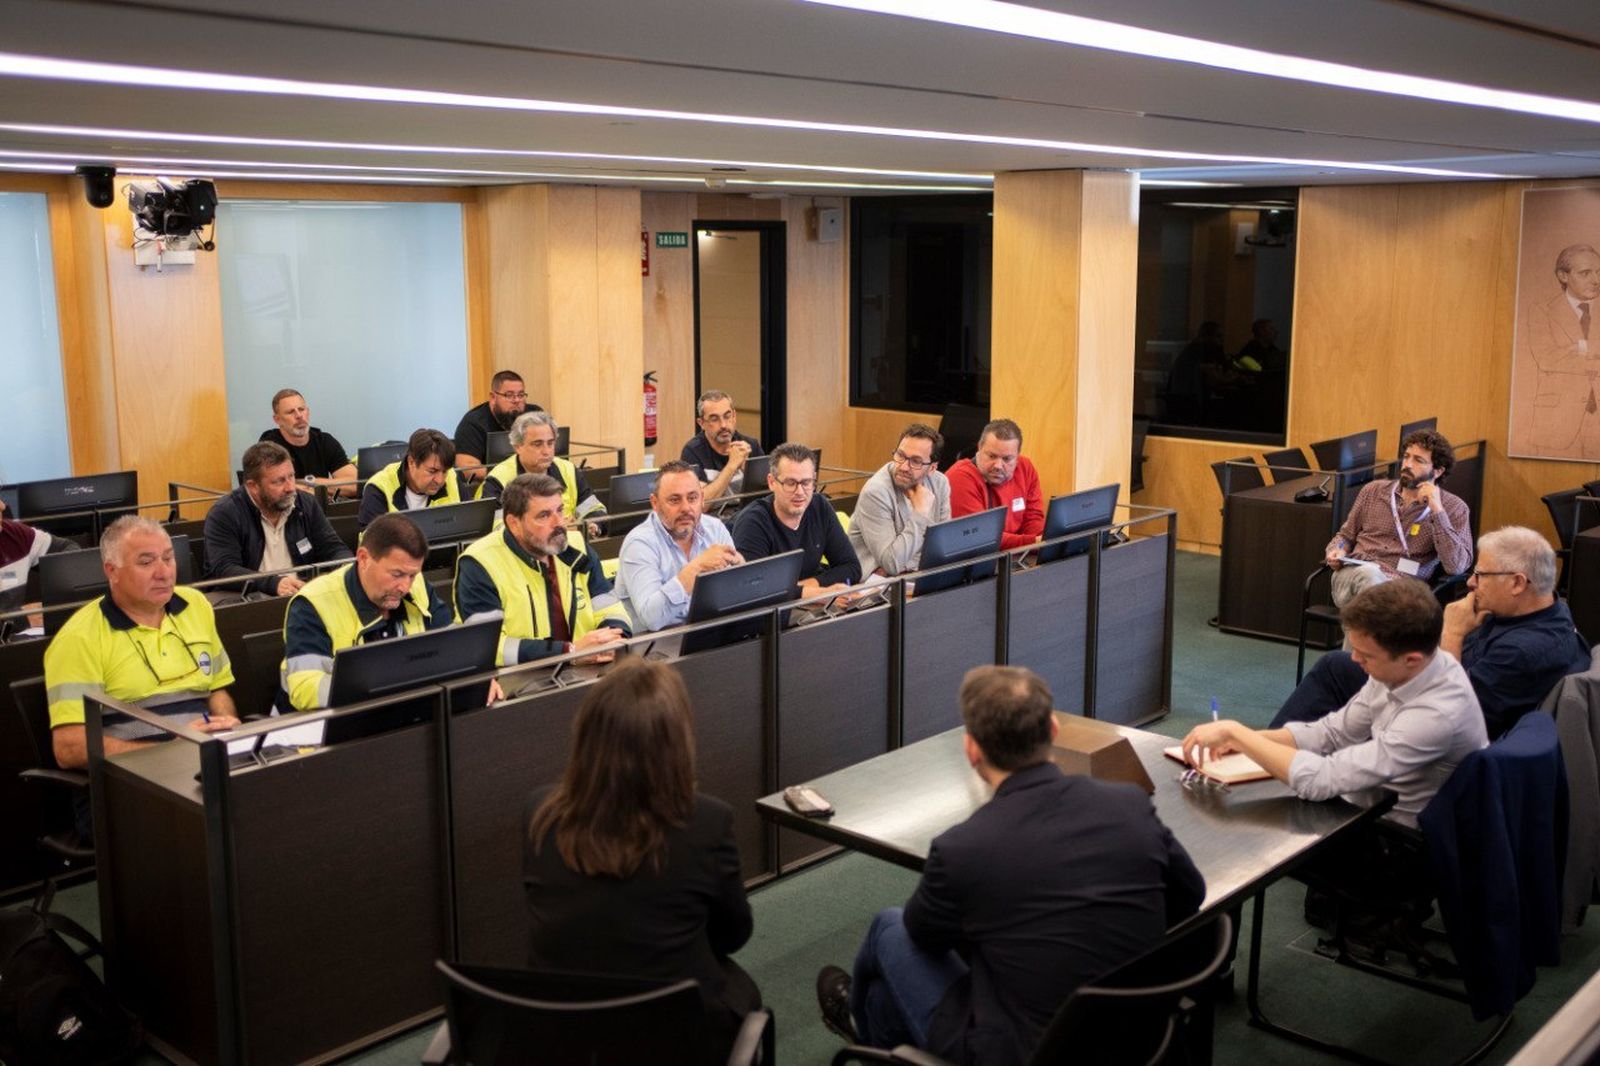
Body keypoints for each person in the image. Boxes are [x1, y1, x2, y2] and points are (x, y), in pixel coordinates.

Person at [817, 665, 1204, 1064]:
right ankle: (872, 1024)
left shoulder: (961, 848)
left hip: (1027, 1054)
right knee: (888, 997)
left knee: (889, 928)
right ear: (1053, 729)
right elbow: (1191, 894)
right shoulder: (1129, 804)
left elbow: (926, 938)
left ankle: (859, 1026)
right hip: (1139, 1034)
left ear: (971, 750)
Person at [524, 657, 760, 1064]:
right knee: (744, 994)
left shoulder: (539, 815)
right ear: (676, 743)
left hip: (563, 1033)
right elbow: (733, 934)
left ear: (586, 734)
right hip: (677, 1037)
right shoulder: (706, 822)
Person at [1183, 579, 1487, 830]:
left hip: (1396, 842)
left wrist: (1239, 735)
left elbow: (1322, 780)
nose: (1355, 660)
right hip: (1369, 804)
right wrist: (1252, 740)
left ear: (1411, 660)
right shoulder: (1406, 668)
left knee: (1241, 829)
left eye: (1366, 656)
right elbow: (1331, 734)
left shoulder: (1437, 716)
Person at [1276, 526, 1590, 739]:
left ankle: (1263, 759)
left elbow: (1450, 716)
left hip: (1446, 738)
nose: (1470, 583)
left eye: (1480, 575)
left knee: (1337, 670)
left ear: (1518, 583)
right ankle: (1274, 748)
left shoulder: (1524, 652)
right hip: (1439, 687)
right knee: (1343, 666)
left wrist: (1452, 633)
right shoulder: (1543, 610)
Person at [45, 516, 239, 771]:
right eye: (146, 562)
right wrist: (170, 750)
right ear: (111, 571)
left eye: (168, 558)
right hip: (133, 778)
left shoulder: (196, 605)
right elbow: (69, 748)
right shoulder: (78, 638)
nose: (163, 573)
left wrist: (228, 728)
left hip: (203, 760)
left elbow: (217, 689)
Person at [279, 513, 452, 711]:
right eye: (397, 574)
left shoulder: (417, 586)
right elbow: (304, 688)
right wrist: (379, 687)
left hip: (400, 713)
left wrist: (471, 680)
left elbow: (450, 646)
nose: (405, 586)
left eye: (412, 575)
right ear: (363, 559)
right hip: (320, 726)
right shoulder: (312, 603)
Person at [455, 473, 631, 666]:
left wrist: (613, 638)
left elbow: (610, 607)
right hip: (519, 679)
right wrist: (569, 652)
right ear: (514, 523)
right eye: (544, 515)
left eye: (560, 510)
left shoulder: (576, 546)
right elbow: (488, 646)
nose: (559, 524)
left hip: (589, 666)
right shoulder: (479, 563)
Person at [1324, 428, 1472, 607]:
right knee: (1369, 577)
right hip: (1354, 573)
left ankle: (1362, 633)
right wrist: (1337, 550)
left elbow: (1456, 566)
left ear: (1438, 471)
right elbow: (1345, 537)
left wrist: (1437, 510)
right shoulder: (1373, 491)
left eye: (1418, 460)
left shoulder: (1454, 508)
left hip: (1404, 587)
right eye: (1407, 456)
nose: (1407, 464)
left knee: (1374, 605)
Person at [203, 441, 351, 598]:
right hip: (248, 597)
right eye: (279, 481)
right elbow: (225, 569)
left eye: (291, 476)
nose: (291, 487)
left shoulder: (306, 503)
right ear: (253, 486)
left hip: (300, 594)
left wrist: (347, 567)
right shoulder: (225, 513)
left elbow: (333, 548)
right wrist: (273, 583)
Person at [615, 461, 743, 633]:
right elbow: (651, 619)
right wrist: (697, 567)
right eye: (674, 500)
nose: (686, 508)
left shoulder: (715, 528)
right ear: (655, 503)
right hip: (653, 647)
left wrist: (741, 570)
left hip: (706, 632)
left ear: (702, 499)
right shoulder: (639, 544)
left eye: (692, 498)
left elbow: (735, 592)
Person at [730, 442, 860, 595]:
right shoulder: (753, 521)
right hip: (773, 613)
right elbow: (752, 590)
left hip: (808, 599)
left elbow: (852, 567)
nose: (799, 492)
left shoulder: (820, 507)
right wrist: (812, 593)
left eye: (806, 482)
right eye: (790, 483)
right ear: (772, 482)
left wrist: (807, 587)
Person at [1524, 244, 1600, 456]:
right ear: (1563, 276)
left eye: (1598, 272)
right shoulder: (1541, 311)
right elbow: (1547, 359)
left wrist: (1579, 348)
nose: (1596, 280)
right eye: (1586, 273)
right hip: (1558, 422)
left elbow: (1561, 357)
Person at [847, 424, 951, 577]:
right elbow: (892, 564)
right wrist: (921, 514)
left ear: (932, 468)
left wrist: (910, 563)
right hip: (876, 586)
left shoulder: (940, 483)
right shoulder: (876, 492)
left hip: (918, 574)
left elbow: (943, 545)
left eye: (915, 461)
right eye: (900, 455)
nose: (903, 467)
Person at [478, 411, 606, 534]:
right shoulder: (497, 480)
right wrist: (552, 529)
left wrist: (590, 527)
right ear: (518, 447)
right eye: (537, 444)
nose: (546, 451)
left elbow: (594, 509)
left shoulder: (568, 470)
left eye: (550, 443)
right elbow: (498, 530)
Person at [945, 418, 1044, 551]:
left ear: (1017, 456)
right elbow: (980, 537)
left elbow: (1033, 518)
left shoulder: (1025, 468)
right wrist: (1033, 543)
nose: (998, 465)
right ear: (979, 448)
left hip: (1016, 555)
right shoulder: (959, 477)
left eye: (1007, 459)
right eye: (992, 456)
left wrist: (1042, 540)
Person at [357, 428, 464, 530]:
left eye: (444, 471)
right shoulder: (379, 488)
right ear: (411, 462)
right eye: (432, 471)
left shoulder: (452, 477)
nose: (440, 480)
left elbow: (468, 525)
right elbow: (373, 544)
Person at [257, 388, 357, 492]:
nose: (299, 416)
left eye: (301, 409)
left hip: (321, 507)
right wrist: (327, 488)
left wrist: (312, 483)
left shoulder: (324, 441)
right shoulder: (270, 445)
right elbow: (273, 487)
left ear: (308, 412)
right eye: (291, 412)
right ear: (277, 419)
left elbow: (355, 484)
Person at [454, 369, 540, 478]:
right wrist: (509, 475)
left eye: (521, 395)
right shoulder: (473, 423)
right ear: (493, 397)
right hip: (492, 487)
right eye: (509, 395)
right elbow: (467, 468)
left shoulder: (534, 416)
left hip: (534, 481)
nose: (516, 400)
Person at [681, 390, 764, 501]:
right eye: (714, 419)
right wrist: (732, 465)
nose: (723, 425)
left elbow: (767, 498)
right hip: (711, 517)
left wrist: (750, 472)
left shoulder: (750, 446)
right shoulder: (692, 452)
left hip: (746, 516)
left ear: (734, 416)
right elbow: (699, 503)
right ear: (701, 423)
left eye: (727, 416)